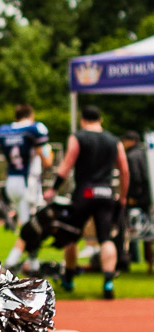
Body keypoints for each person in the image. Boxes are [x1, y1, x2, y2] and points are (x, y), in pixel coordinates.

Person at [45, 104, 128, 299]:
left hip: (84, 193)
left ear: (82, 120)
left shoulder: (78, 137)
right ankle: (108, 282)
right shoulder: (114, 140)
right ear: (101, 120)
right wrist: (122, 195)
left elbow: (66, 166)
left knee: (72, 237)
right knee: (105, 238)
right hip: (106, 193)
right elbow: (124, 170)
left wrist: (53, 189)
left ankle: (69, 278)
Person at [0, 104, 52, 271]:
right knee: (30, 228)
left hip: (11, 181)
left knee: (29, 224)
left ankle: (33, 264)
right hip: (29, 182)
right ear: (31, 115)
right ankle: (10, 263)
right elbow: (47, 161)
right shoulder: (35, 129)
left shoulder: (5, 131)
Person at [121, 130, 153, 274]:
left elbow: (135, 177)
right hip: (148, 198)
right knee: (149, 232)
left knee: (129, 229)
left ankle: (127, 260)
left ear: (130, 140)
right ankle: (149, 263)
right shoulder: (145, 154)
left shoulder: (131, 156)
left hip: (137, 200)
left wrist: (133, 196)